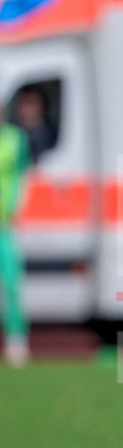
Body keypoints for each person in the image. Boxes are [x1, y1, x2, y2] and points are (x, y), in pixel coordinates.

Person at [0, 111, 32, 366]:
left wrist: (17, 209)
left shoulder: (15, 139)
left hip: (5, 225)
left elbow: (25, 177)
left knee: (11, 284)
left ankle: (17, 342)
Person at [14, 87, 56, 162]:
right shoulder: (13, 134)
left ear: (42, 106)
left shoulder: (52, 139)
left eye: (30, 103)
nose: (24, 108)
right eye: (22, 103)